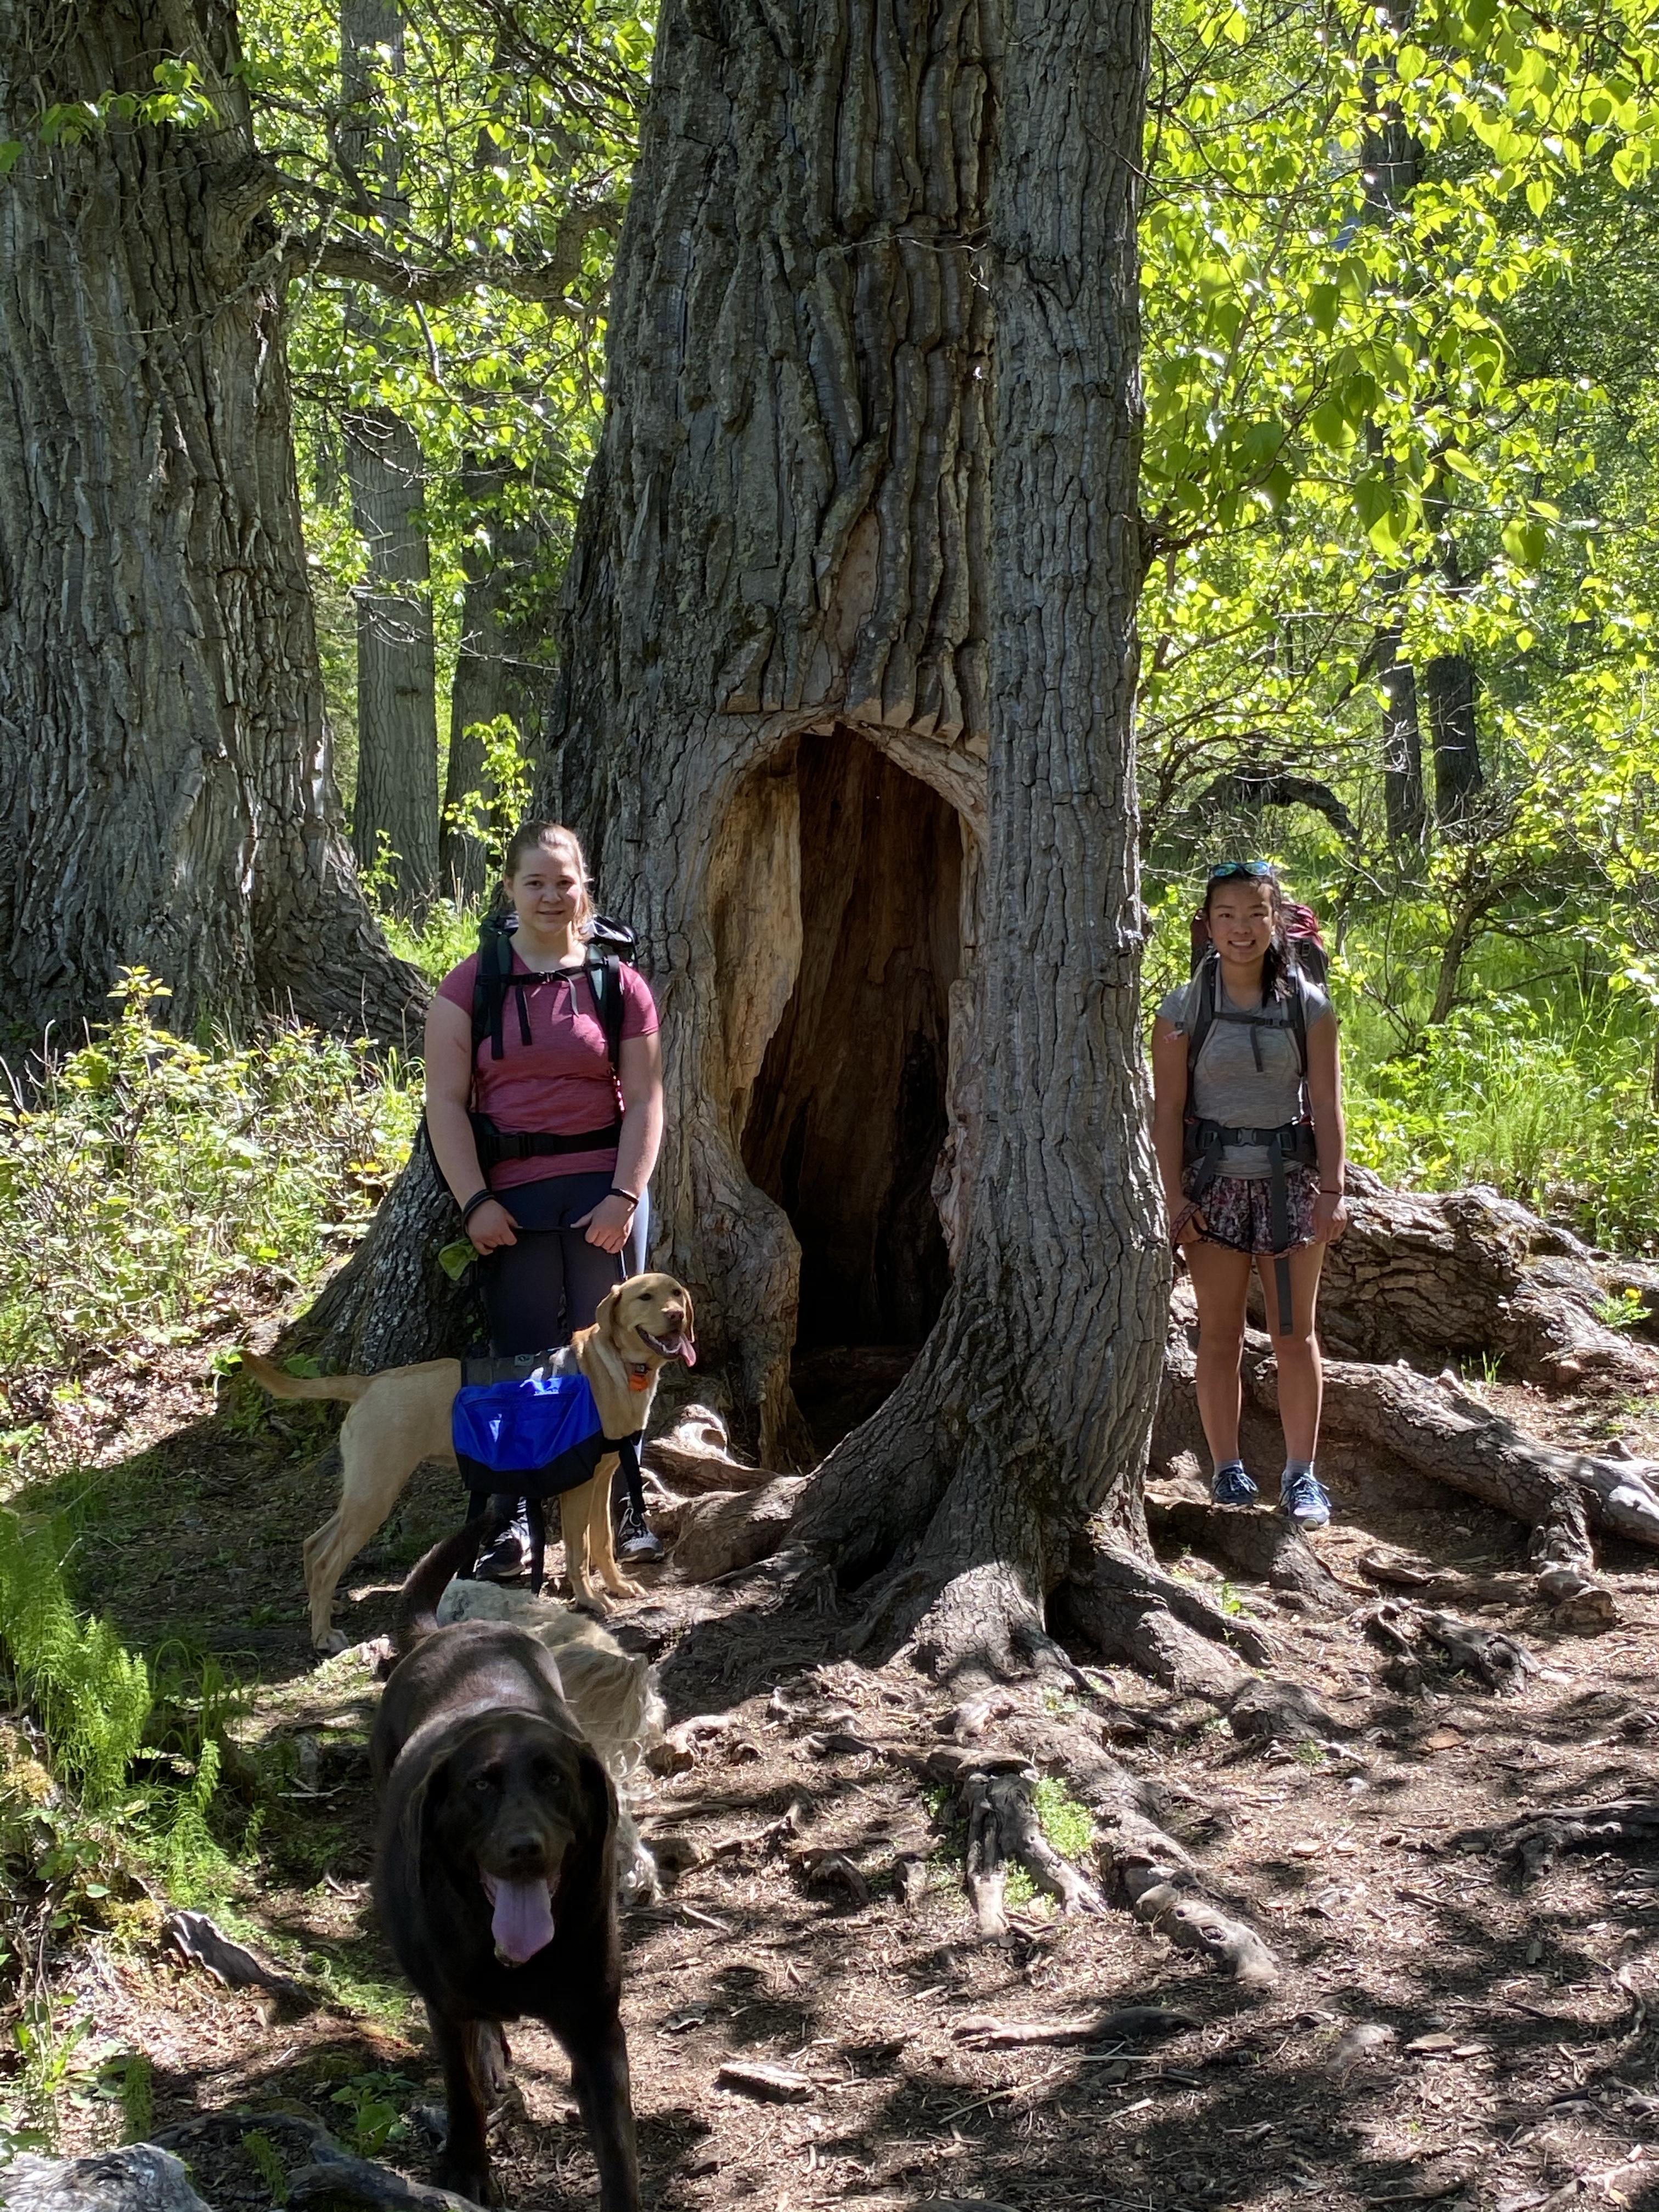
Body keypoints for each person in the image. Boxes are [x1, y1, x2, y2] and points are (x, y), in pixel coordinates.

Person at [425, 820, 667, 1570]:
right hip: (511, 1202)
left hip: (604, 1195)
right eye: (535, 883)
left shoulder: (616, 983)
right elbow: (444, 1104)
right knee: (521, 1363)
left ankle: (626, 1506)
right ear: (510, 889)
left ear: (583, 886)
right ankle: (513, 1522)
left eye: (565, 883)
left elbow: (647, 1100)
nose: (551, 896)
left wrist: (625, 1195)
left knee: (622, 1355)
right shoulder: (471, 985)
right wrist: (475, 1203)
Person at [1150, 861, 1350, 1527]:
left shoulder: (1309, 1006)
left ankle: (1301, 1476)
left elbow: (1327, 1104)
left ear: (1277, 921)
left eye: (1256, 914)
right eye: (1227, 916)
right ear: (1207, 925)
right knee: (1219, 1336)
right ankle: (1227, 1470)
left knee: (1295, 1334)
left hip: (1289, 1190)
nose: (1242, 929)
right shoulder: (1182, 1010)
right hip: (1212, 1192)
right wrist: (1172, 1198)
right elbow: (1167, 1109)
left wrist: (1333, 1189)